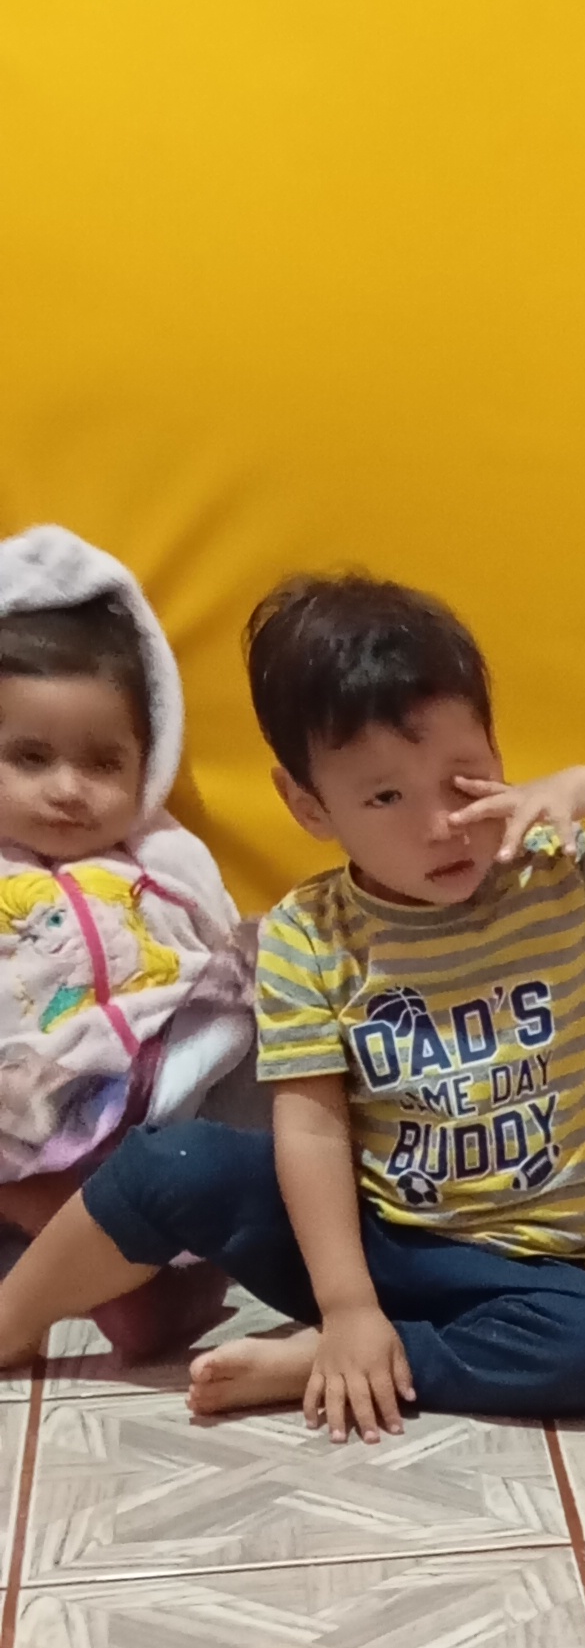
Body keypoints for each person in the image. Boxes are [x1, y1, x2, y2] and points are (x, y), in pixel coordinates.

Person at [0, 573, 585, 1426]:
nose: (440, 824)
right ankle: (12, 1321)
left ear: (498, 756)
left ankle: (346, 1364)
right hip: (361, 1238)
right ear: (308, 805)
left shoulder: (565, 882)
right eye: (385, 796)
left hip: (523, 1266)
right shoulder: (309, 935)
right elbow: (312, 1128)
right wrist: (347, 1306)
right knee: (171, 1162)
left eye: (463, 779)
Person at [0, 525, 257, 1365]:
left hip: (143, 1101)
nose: (68, 789)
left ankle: (136, 1270)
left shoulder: (163, 859)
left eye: (103, 763)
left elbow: (217, 950)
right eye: (30, 757)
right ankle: (90, 1258)